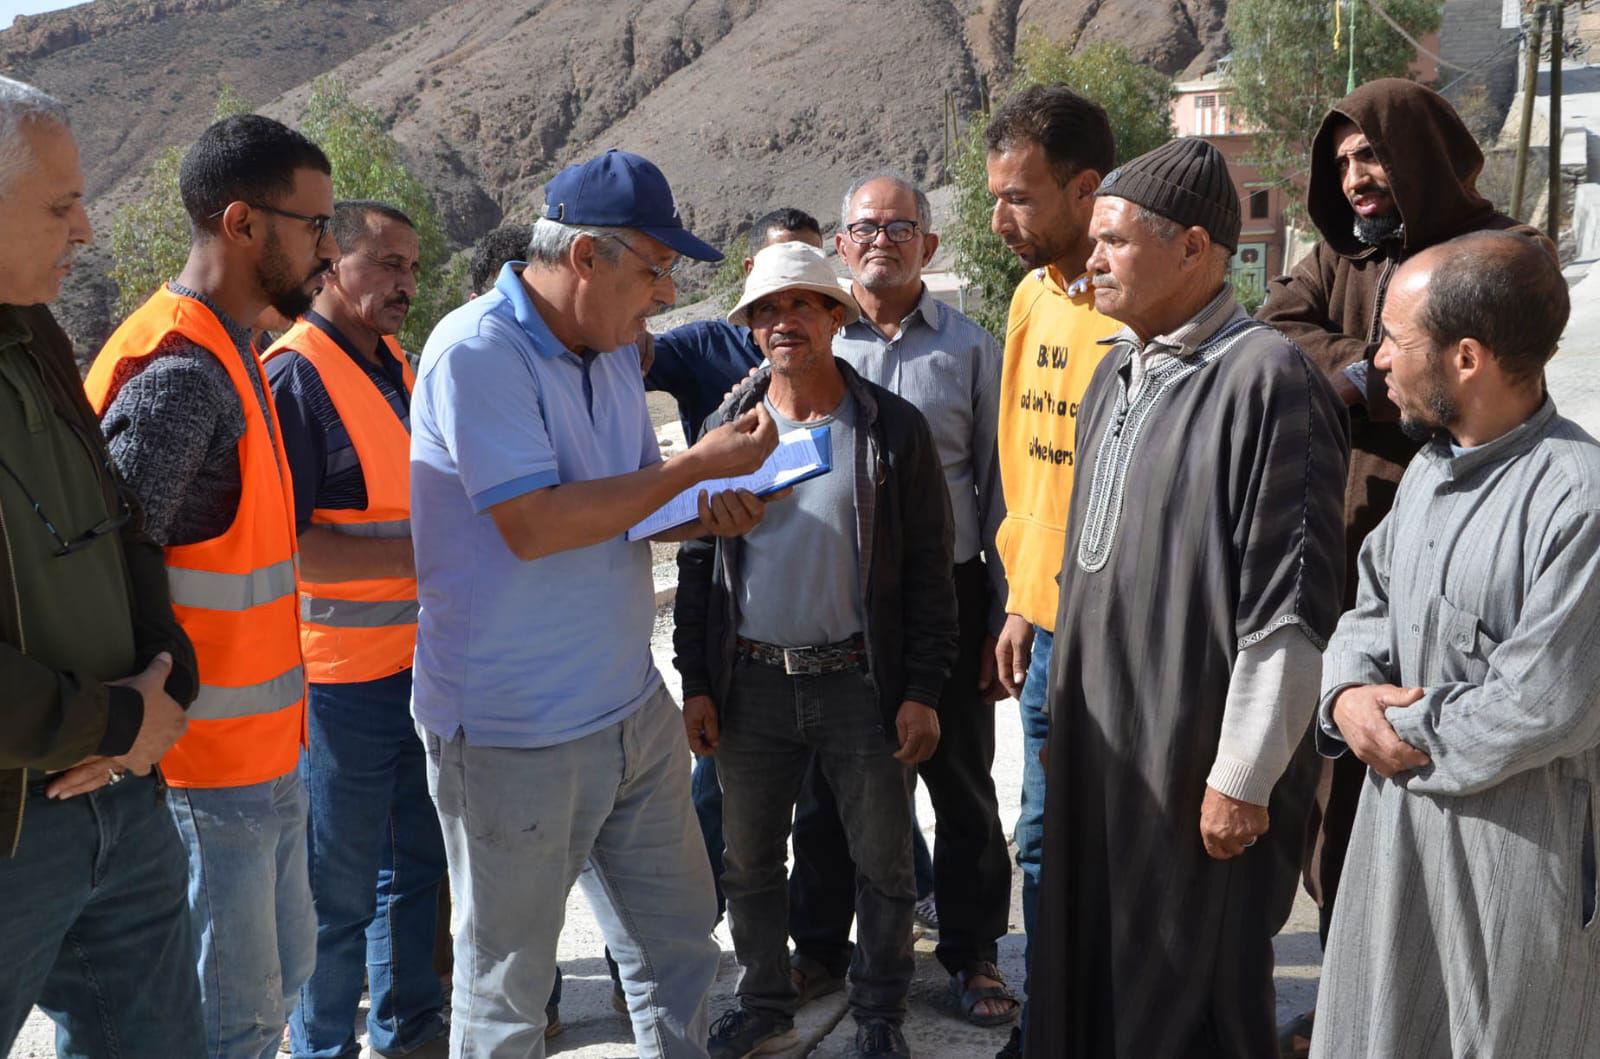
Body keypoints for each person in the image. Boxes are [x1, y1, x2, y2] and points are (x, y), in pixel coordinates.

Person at [410, 148, 783, 1058]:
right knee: (507, 989)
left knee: (680, 946)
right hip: (514, 732)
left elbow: (627, 502)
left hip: (628, 708)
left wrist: (701, 512)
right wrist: (698, 467)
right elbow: (534, 526)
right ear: (586, 258)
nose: (663, 294)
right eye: (655, 270)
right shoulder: (477, 351)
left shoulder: (610, 350)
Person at [1025, 137, 1349, 1058]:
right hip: (1104, 755)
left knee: (1186, 992)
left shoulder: (1271, 381)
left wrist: (1243, 776)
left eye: (1113, 243)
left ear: (1194, 250)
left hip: (1194, 765)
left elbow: (1288, 605)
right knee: (1089, 970)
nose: (1090, 261)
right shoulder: (1113, 371)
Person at [1255, 77, 1547, 1055]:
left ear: (1416, 152)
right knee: (1336, 803)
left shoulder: (1503, 252)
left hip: (1471, 566)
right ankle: (1353, 998)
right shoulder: (1339, 256)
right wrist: (1367, 367)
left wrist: (1367, 385)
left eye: (1369, 156)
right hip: (1356, 568)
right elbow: (1273, 330)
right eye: (1339, 163)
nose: (1355, 178)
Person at [1312, 230, 1600, 1056]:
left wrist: (1385, 725)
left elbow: (1542, 704)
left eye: (1396, 341)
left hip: (1511, 864)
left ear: (1465, 357)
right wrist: (1345, 693)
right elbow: (1368, 606)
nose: (1379, 361)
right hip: (1393, 845)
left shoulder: (1577, 499)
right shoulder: (1432, 471)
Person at [87, 113, 335, 1059]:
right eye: (312, 225)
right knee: (226, 1028)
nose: (325, 250)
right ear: (242, 223)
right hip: (197, 776)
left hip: (261, 762)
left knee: (275, 995)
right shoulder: (181, 371)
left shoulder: (230, 349)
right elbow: (104, 567)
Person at [675, 240, 958, 1059]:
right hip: (752, 682)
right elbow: (697, 565)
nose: (784, 322)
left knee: (886, 862)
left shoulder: (891, 430)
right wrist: (698, 681)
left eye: (802, 304)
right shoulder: (726, 431)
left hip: (860, 684)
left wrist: (922, 690)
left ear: (836, 317)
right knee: (750, 860)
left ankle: (878, 1013)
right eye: (766, 310)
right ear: (752, 330)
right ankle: (763, 998)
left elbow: (929, 575)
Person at [0, 74, 205, 1059]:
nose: (84, 230)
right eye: (57, 205)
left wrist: (165, 667)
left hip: (121, 795)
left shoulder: (35, 330)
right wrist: (117, 717)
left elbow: (117, 519)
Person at [788, 169, 1015, 1027]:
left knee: (961, 785)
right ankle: (817, 950)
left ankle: (973, 951)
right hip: (832, 599)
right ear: (839, 247)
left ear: (931, 243)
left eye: (900, 225)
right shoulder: (812, 343)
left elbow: (996, 486)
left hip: (945, 596)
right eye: (865, 227)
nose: (882, 238)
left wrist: (1001, 611)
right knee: (826, 785)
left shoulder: (969, 349)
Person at [263, 200, 449, 1059]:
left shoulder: (398, 365)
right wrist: (438, 554)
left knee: (417, 869)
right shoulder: (293, 376)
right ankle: (322, 1046)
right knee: (334, 892)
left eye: (411, 267)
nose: (404, 282)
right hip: (338, 682)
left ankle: (411, 1033)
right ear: (330, 262)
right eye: (385, 264)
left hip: (422, 669)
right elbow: (293, 546)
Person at [979, 84, 1118, 1059]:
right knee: (1040, 835)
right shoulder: (1029, 299)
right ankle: (1053, 1022)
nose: (999, 221)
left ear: (1087, 189)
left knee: (1119, 843)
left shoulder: (1139, 311)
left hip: (1124, 636)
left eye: (1019, 198)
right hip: (1045, 624)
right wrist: (1021, 604)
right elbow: (1024, 467)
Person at [647, 207, 825, 442]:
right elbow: (615, 361)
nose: (796, 276)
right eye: (780, 263)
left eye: (809, 264)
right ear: (750, 270)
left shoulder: (840, 353)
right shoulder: (704, 346)